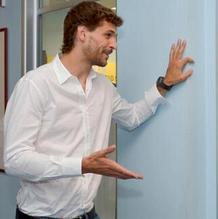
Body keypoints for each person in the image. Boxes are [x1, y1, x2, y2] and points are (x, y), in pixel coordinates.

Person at [4, 1, 193, 219]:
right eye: (108, 35)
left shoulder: (103, 88)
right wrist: (81, 165)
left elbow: (131, 117)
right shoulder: (35, 84)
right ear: (82, 33)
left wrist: (165, 84)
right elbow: (15, 160)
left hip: (87, 213)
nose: (114, 45)